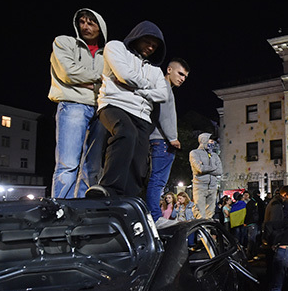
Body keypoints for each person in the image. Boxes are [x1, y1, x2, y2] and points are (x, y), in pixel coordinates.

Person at [85, 21, 167, 198]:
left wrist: (136, 89)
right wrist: (148, 87)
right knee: (125, 133)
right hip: (114, 104)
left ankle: (130, 198)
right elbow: (125, 75)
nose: (151, 48)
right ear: (137, 36)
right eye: (147, 41)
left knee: (139, 157)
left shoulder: (156, 70)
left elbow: (163, 95)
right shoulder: (116, 47)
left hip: (143, 115)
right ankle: (109, 187)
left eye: (155, 45)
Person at [48, 8, 108, 198]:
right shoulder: (64, 42)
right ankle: (61, 209)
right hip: (72, 104)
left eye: (91, 23)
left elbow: (114, 82)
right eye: (82, 22)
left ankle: (83, 209)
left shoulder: (107, 53)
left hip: (100, 109)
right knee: (67, 164)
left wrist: (91, 83)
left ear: (101, 27)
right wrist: (100, 78)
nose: (85, 26)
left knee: (93, 166)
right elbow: (68, 73)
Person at [146, 58, 190, 221]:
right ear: (169, 70)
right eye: (180, 73)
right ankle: (156, 217)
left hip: (159, 140)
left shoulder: (165, 88)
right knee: (158, 181)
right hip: (162, 141)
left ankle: (154, 215)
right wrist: (173, 138)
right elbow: (164, 115)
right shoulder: (164, 87)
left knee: (157, 181)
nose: (182, 79)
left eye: (185, 76)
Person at [190, 132, 223, 218]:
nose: (212, 143)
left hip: (212, 187)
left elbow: (219, 171)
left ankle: (207, 231)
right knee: (200, 213)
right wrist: (213, 167)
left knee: (210, 214)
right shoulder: (194, 153)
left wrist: (205, 167)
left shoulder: (215, 155)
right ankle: (200, 230)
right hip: (200, 186)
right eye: (210, 140)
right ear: (204, 140)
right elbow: (200, 169)